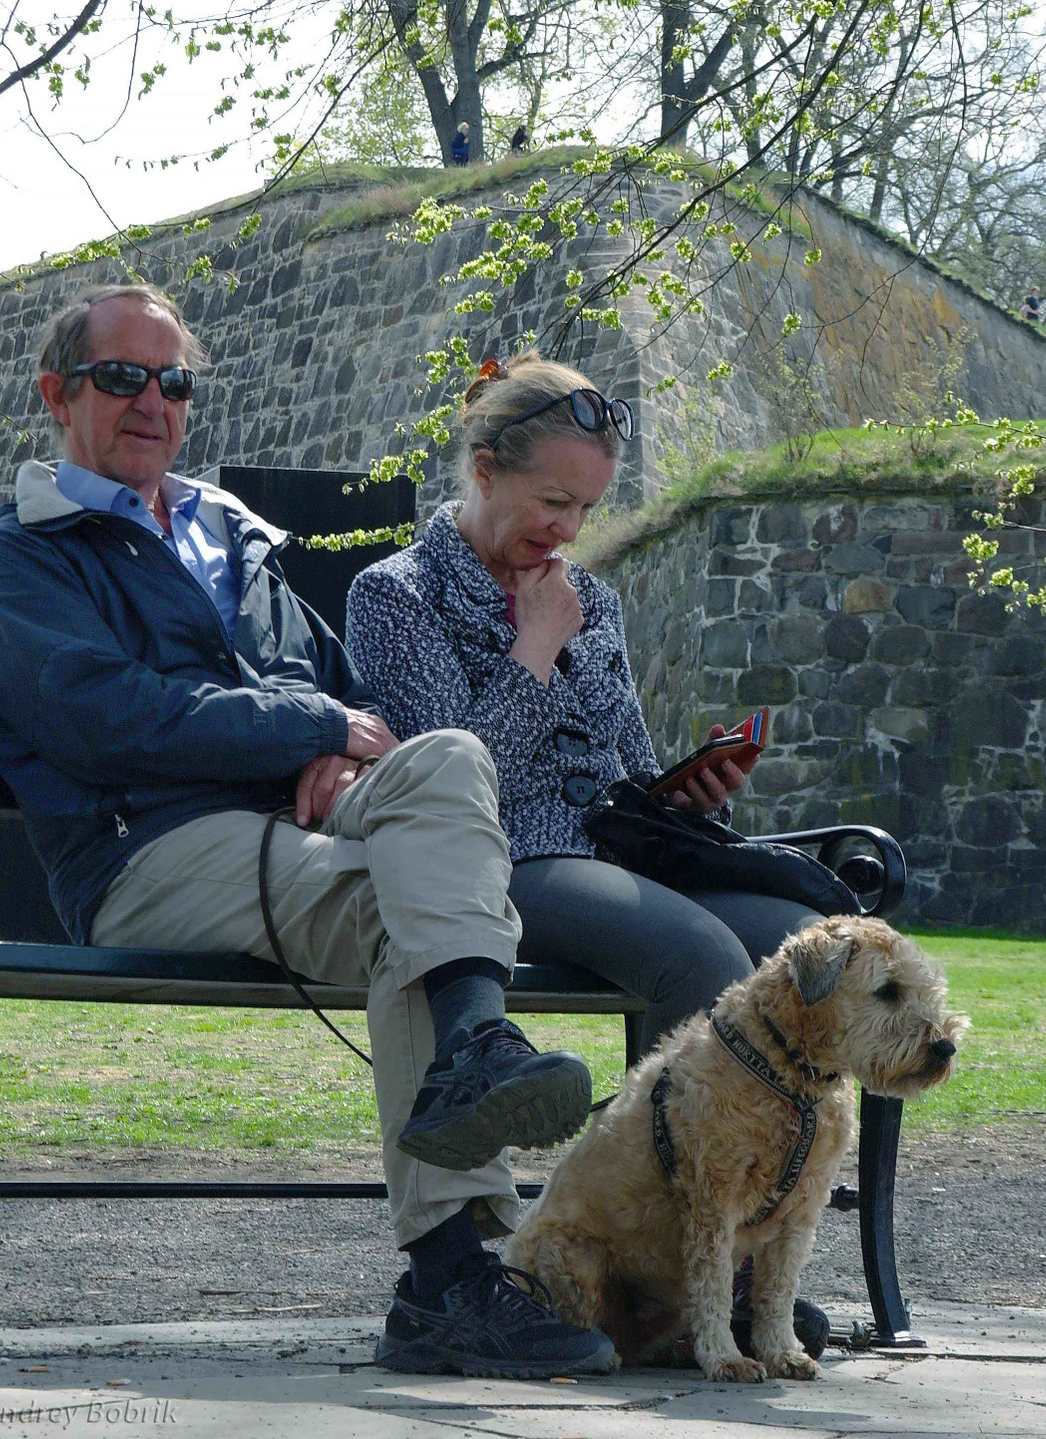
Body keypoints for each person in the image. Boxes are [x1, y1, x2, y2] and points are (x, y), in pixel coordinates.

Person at [0, 284, 616, 1381]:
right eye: (122, 378)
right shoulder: (28, 550)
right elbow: (101, 716)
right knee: (409, 918)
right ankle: (447, 1280)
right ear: (57, 395)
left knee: (449, 755)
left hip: (290, 815)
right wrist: (308, 729)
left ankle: (472, 1051)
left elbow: (346, 693)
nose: (153, 402)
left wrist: (335, 744)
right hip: (143, 847)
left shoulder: (226, 530)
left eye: (174, 381)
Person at [345, 350, 832, 1357]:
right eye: (552, 501)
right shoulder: (395, 594)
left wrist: (682, 793)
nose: (567, 531)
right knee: (696, 956)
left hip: (615, 854)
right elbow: (447, 777)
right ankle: (682, 1271)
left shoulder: (591, 600)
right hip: (498, 862)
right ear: (485, 469)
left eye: (586, 509)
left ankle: (746, 1247)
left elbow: (627, 763)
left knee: (797, 949)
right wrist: (532, 646)